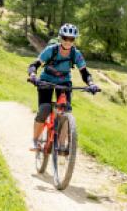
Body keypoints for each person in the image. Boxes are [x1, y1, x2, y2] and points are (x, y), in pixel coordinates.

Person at [27, 23, 99, 151]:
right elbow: (35, 64)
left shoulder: (76, 54)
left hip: (64, 82)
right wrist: (33, 75)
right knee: (44, 108)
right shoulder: (51, 50)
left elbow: (84, 72)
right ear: (61, 38)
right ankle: (35, 140)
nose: (68, 41)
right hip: (46, 81)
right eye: (65, 38)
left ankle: (61, 145)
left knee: (66, 111)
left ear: (74, 40)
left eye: (71, 39)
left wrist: (91, 84)